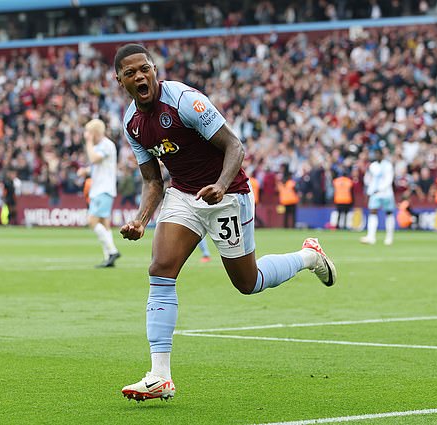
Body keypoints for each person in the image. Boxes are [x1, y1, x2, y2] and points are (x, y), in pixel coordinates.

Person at [114, 44, 336, 401]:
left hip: (227, 194)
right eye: (131, 73)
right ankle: (159, 375)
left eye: (146, 69)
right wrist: (141, 220)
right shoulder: (132, 123)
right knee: (161, 269)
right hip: (184, 195)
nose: (141, 76)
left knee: (248, 283)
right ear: (120, 79)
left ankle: (309, 257)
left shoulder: (185, 100)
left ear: (154, 70)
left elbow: (235, 146)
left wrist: (219, 185)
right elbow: (154, 181)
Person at [80, 118, 121, 268]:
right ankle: (109, 257)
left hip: (103, 189)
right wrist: (85, 171)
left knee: (92, 221)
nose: (87, 135)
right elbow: (96, 165)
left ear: (95, 133)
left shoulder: (106, 145)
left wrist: (89, 142)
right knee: (104, 224)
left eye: (89, 133)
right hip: (101, 188)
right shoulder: (102, 146)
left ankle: (112, 251)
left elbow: (94, 159)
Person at [360, 148, 395, 245]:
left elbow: (389, 179)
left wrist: (379, 189)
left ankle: (389, 237)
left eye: (379, 154)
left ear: (382, 155)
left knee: (389, 213)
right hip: (375, 194)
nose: (377, 156)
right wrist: (370, 190)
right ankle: (371, 237)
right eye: (375, 154)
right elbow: (368, 178)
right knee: (373, 212)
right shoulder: (373, 166)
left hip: (386, 193)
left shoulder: (388, 165)